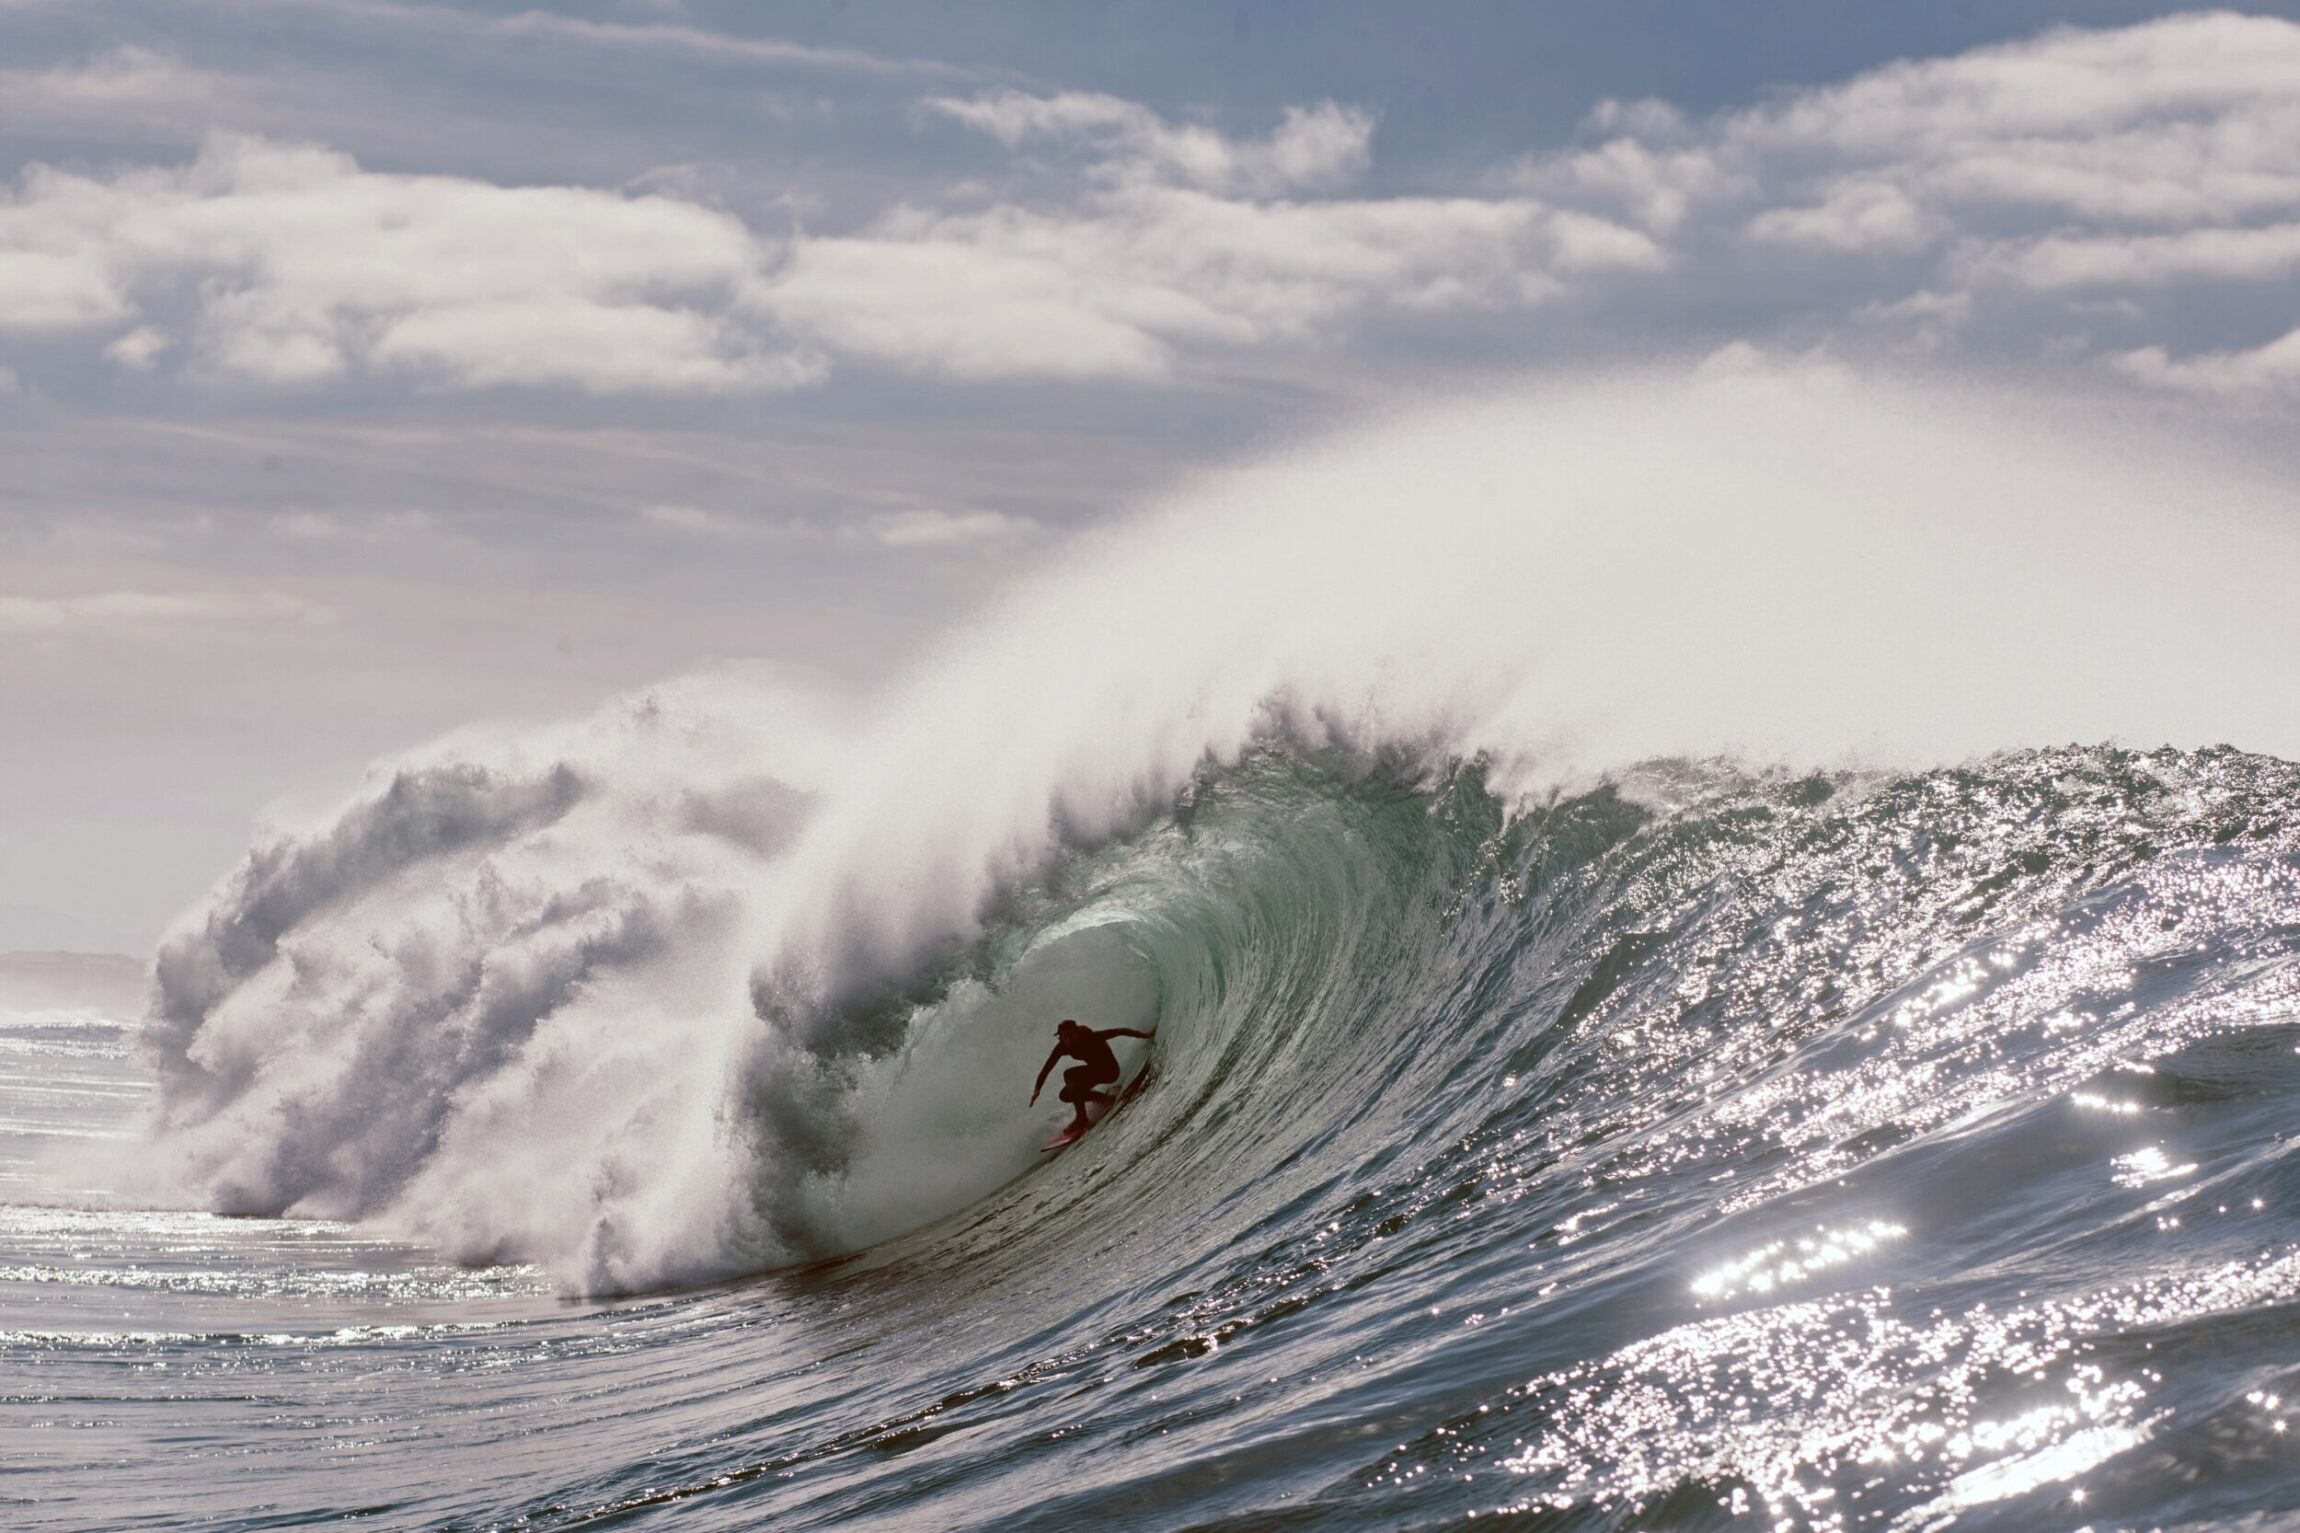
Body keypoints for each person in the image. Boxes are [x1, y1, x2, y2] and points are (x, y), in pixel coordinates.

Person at [1030, 1018, 1155, 1135]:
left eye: (1072, 1035)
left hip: (1110, 1071)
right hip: (1094, 1072)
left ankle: (1081, 1118)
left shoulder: (1091, 1037)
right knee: (1065, 1095)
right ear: (1061, 1037)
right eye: (1065, 1036)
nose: (1069, 1039)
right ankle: (1103, 1098)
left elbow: (1119, 1031)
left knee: (1069, 1074)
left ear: (1077, 1032)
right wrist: (1037, 1090)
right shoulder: (1062, 1047)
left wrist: (1145, 1035)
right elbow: (1046, 1069)